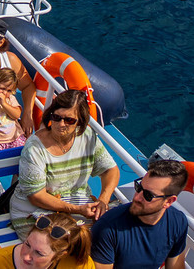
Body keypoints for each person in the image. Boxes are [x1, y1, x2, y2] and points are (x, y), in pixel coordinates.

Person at [9, 90, 120, 236]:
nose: (61, 124)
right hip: (33, 211)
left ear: (80, 120)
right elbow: (36, 196)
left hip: (75, 204)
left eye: (69, 120)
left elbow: (110, 170)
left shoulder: (87, 136)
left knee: (109, 234)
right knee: (68, 242)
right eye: (56, 117)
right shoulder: (35, 148)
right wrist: (76, 210)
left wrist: (103, 200)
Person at [88, 159, 190, 269]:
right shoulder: (107, 229)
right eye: (139, 187)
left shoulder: (178, 222)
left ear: (169, 201)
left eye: (148, 195)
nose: (137, 197)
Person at [0, 213, 93, 269]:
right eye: (27, 244)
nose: (26, 257)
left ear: (61, 255)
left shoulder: (78, 265)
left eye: (39, 253)